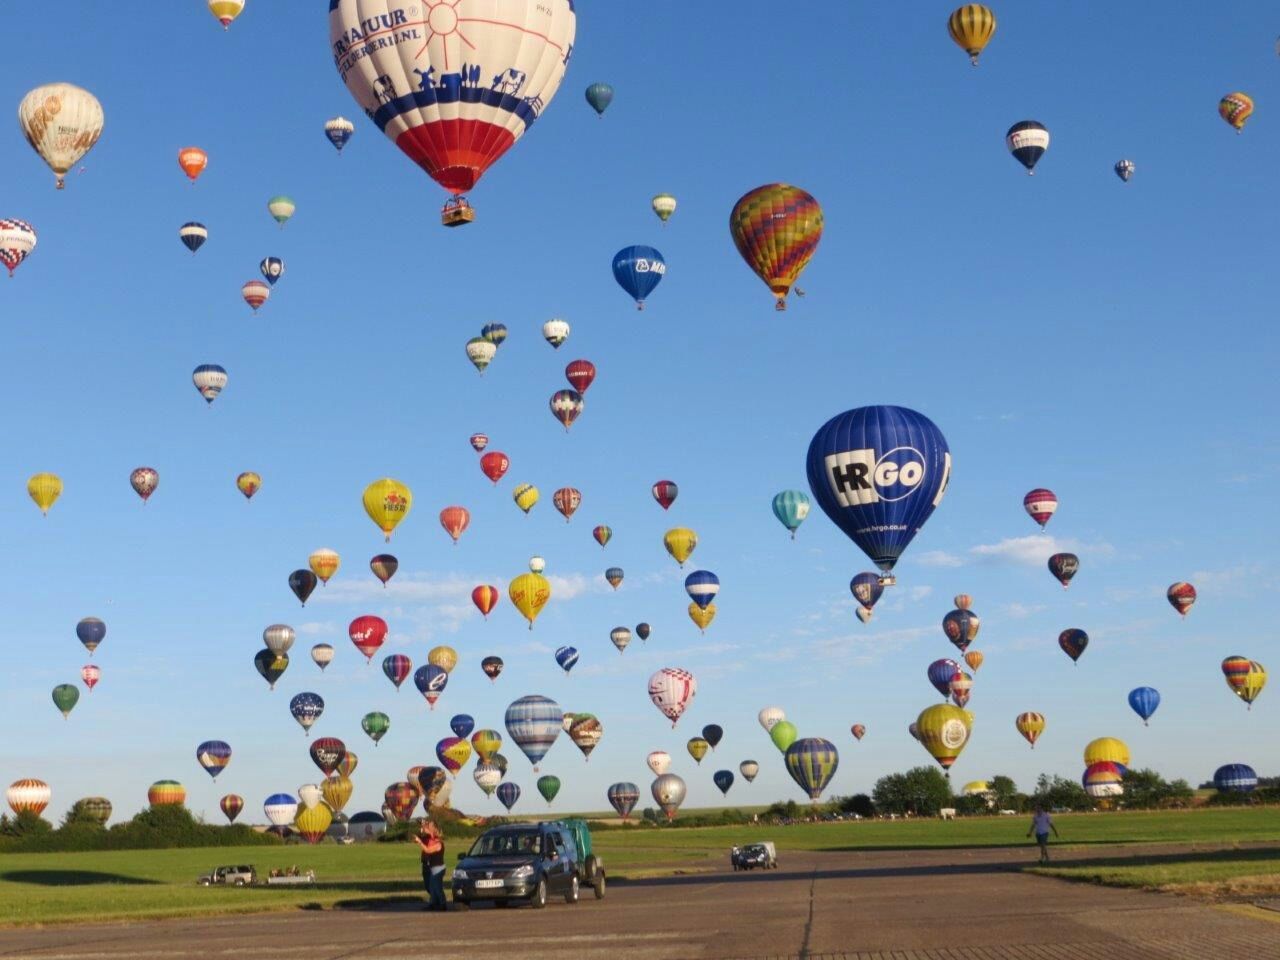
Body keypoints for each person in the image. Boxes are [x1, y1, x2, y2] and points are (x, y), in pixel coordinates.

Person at [414, 821, 447, 911]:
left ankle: (442, 904)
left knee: (437, 887)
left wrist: (420, 842)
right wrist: (422, 827)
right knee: (432, 887)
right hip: (433, 867)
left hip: (438, 868)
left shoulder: (438, 843)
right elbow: (426, 834)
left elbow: (428, 850)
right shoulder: (434, 840)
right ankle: (433, 904)